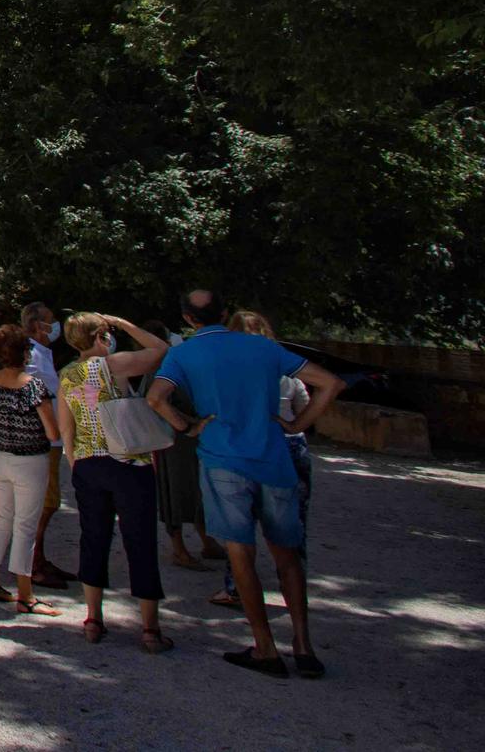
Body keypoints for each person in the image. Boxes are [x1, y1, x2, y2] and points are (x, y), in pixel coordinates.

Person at [147, 289, 345, 679]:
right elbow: (330, 383)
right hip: (273, 457)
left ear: (188, 319)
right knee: (288, 556)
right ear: (225, 312)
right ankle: (303, 645)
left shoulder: (184, 353)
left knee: (241, 555)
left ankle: (265, 647)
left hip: (222, 459)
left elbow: (156, 398)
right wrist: (297, 425)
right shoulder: (265, 348)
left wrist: (188, 426)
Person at [55, 313, 181, 652]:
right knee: (140, 541)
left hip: (88, 463)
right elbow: (161, 350)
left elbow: (66, 427)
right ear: (101, 336)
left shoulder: (67, 374)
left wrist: (75, 462)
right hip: (128, 462)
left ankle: (93, 618)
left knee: (93, 538)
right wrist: (124, 324)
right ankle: (150, 629)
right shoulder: (114, 365)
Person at [209, 311, 314, 607]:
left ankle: (235, 587)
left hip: (242, 448)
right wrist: (292, 425)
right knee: (293, 524)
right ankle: (294, 592)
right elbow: (306, 405)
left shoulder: (223, 370)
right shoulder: (286, 367)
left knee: (239, 525)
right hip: (286, 444)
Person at [0, 325, 63, 615]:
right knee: (25, 525)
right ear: (25, 353)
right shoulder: (33, 387)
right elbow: (52, 433)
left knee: (1, 519)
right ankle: (26, 595)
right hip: (30, 460)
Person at [139, 317, 219, 570]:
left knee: (197, 491)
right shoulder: (158, 368)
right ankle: (179, 548)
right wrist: (191, 423)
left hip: (189, 439)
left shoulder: (172, 363)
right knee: (174, 492)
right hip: (172, 441)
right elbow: (156, 403)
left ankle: (206, 540)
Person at [18, 302, 74, 587]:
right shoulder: (31, 355)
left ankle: (38, 558)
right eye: (50, 321)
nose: (55, 327)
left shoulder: (41, 353)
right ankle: (33, 563)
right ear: (38, 325)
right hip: (42, 439)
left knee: (47, 501)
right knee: (44, 503)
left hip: (49, 439)